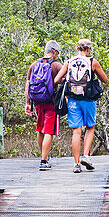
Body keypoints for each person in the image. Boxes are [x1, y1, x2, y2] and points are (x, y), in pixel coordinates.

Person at [53, 38, 109, 173]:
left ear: (77, 49)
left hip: (72, 100)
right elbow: (105, 80)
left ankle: (76, 164)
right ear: (88, 49)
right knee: (90, 127)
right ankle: (86, 156)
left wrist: (67, 79)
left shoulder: (69, 62)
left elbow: (56, 80)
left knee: (76, 131)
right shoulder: (92, 62)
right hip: (88, 100)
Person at [24, 40, 63, 171]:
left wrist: (27, 103)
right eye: (57, 53)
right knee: (49, 131)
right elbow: (65, 79)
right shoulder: (56, 65)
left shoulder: (34, 64)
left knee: (40, 129)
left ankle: (43, 155)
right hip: (51, 102)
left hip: (37, 102)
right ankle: (44, 160)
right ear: (54, 52)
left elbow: (28, 85)